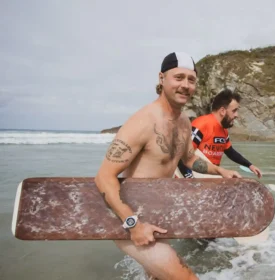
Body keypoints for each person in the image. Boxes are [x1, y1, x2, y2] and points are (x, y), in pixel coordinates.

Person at [94, 52, 242, 280]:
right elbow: (104, 177)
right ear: (162, 78)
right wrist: (133, 224)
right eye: (179, 78)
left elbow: (190, 160)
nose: (185, 85)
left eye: (191, 80)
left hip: (159, 218)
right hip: (132, 222)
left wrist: (219, 170)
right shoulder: (144, 121)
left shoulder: (184, 123)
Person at [177, 89, 262, 179]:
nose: (237, 115)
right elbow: (182, 156)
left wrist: (250, 166)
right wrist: (189, 179)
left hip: (209, 175)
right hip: (191, 176)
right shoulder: (201, 125)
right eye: (234, 111)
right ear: (222, 111)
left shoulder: (223, 130)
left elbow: (230, 152)